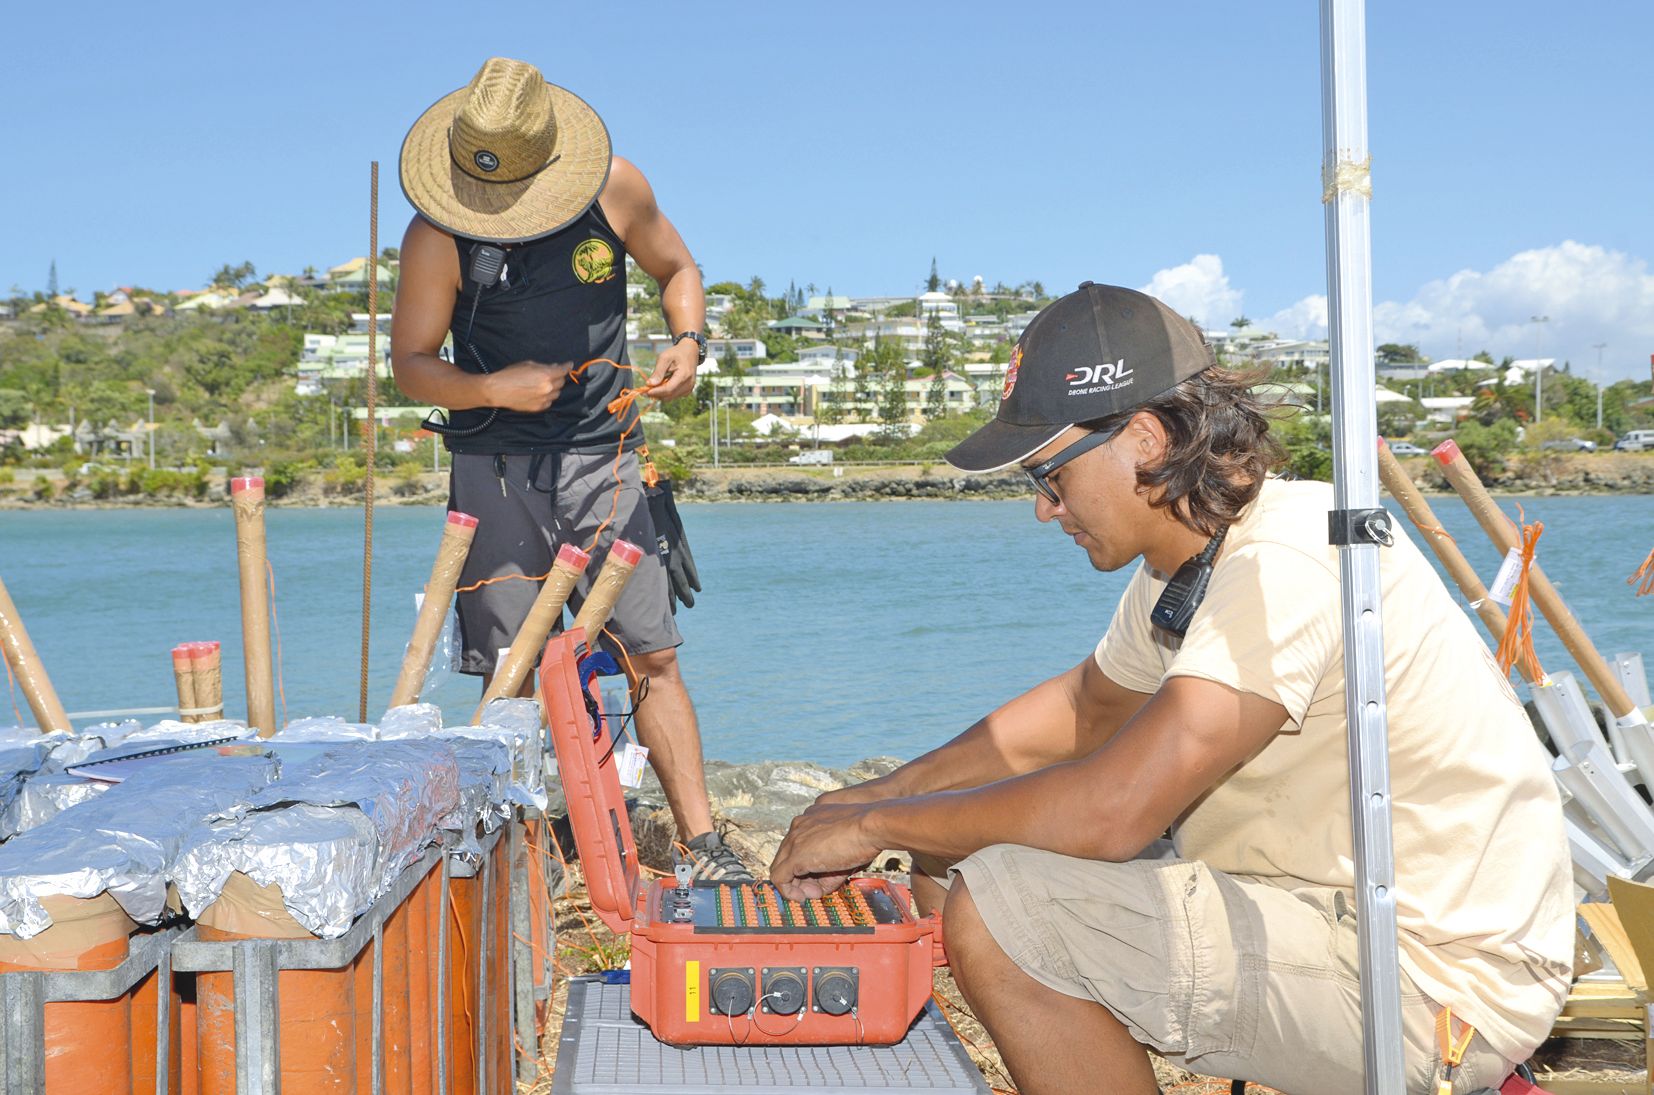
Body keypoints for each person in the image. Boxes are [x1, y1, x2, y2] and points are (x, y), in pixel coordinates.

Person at [770, 283, 1572, 1094]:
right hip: (1331, 916)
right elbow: (1081, 711)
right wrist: (877, 797)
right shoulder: (1190, 567)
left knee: (1007, 904)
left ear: (1146, 439)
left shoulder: (1285, 558)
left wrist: (877, 823)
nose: (1044, 512)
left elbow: (1112, 811)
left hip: (1430, 976)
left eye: (1049, 477)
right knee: (949, 860)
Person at [392, 57, 750, 881]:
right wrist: (491, 388)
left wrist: (690, 342)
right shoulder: (436, 231)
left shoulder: (615, 189)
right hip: (496, 469)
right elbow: (411, 363)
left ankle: (704, 846)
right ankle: (525, 850)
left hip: (609, 458)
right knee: (512, 668)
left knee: (650, 655)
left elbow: (679, 271)